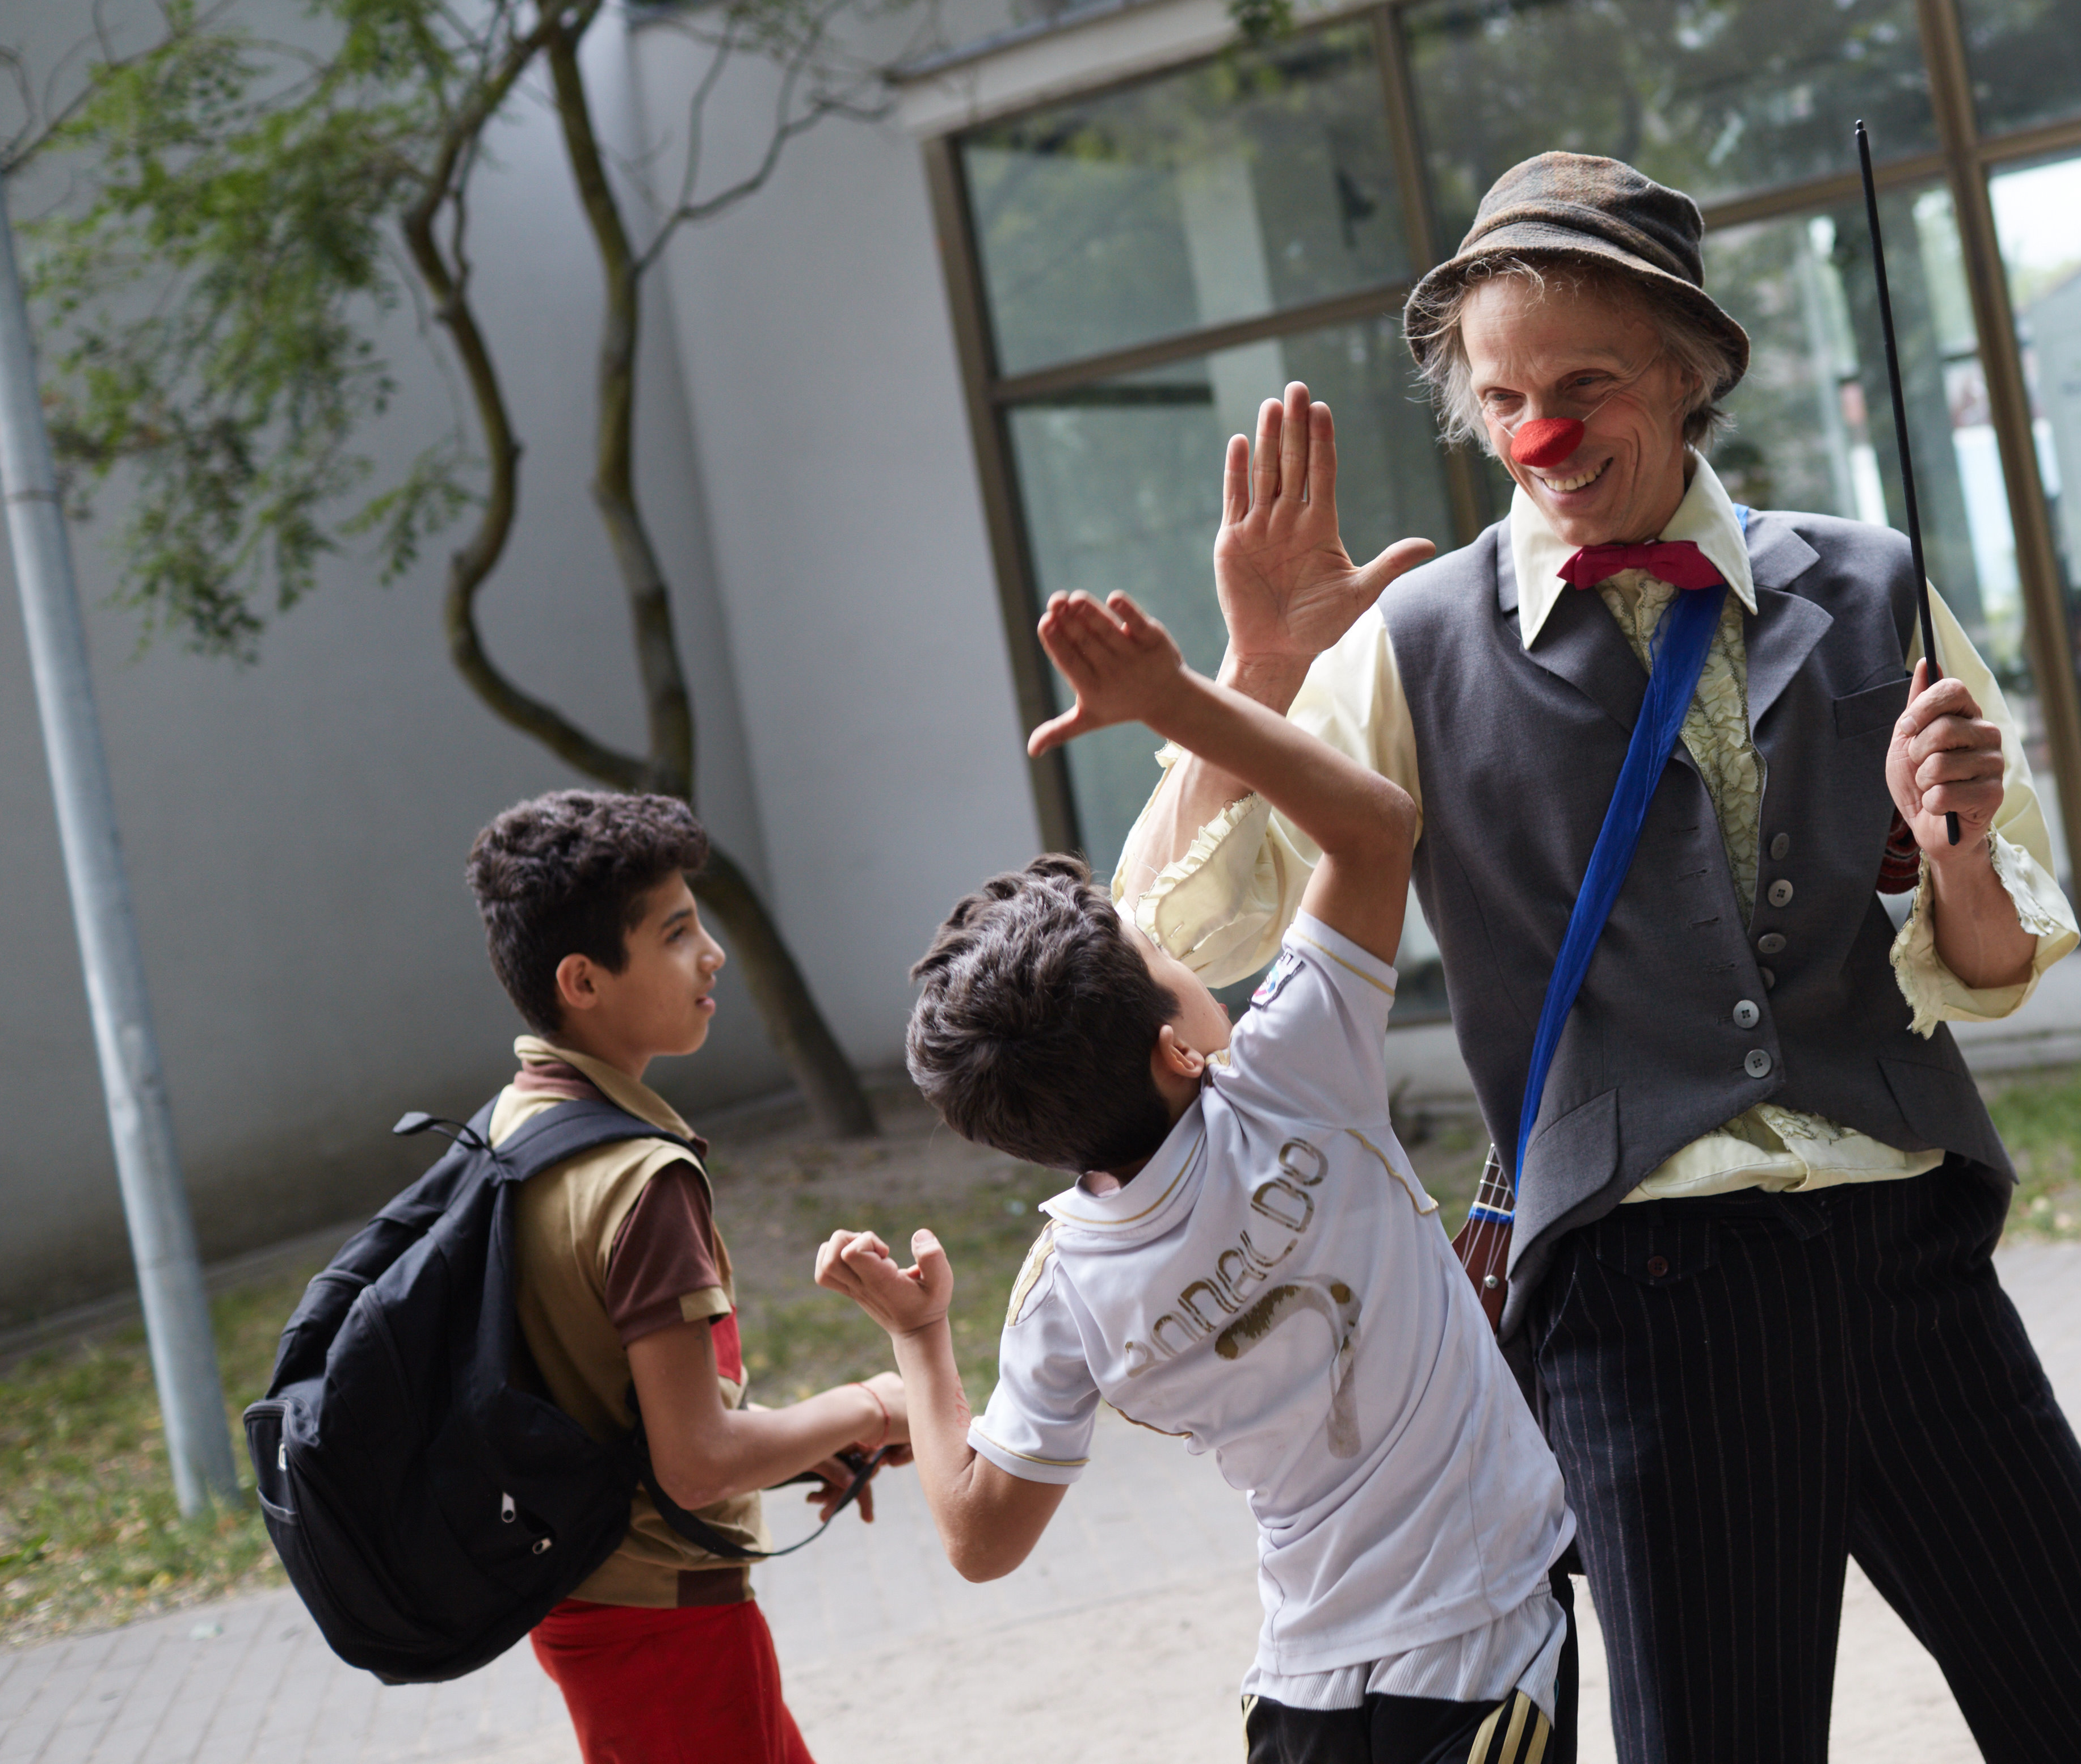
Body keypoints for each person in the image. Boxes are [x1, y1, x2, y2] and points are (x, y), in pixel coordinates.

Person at [1114, 152, 2081, 1760]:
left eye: (1585, 386)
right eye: (1503, 399)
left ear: (1688, 374)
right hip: (1645, 1297)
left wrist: (1958, 845)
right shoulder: (1414, 647)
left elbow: (1989, 962)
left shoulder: (1869, 585)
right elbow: (1175, 934)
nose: (1539, 436)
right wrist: (1258, 675)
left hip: (1904, 1242)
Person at [817, 590, 1577, 1764]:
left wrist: (921, 1338)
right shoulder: (1290, 1078)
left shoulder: (1065, 1284)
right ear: (1177, 1049)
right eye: (1168, 958)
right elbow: (1375, 825)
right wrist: (1173, 698)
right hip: (1478, 1644)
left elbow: (976, 1536)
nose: (1182, 956)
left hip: (1300, 1690)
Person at [465, 789, 914, 1764]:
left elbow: (606, 1401)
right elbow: (696, 1462)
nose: (712, 953)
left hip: (590, 1605)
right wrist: (875, 1404)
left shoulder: (514, 1125)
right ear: (583, 979)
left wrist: (798, 1445)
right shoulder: (642, 1179)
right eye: (674, 934)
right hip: (670, 1630)